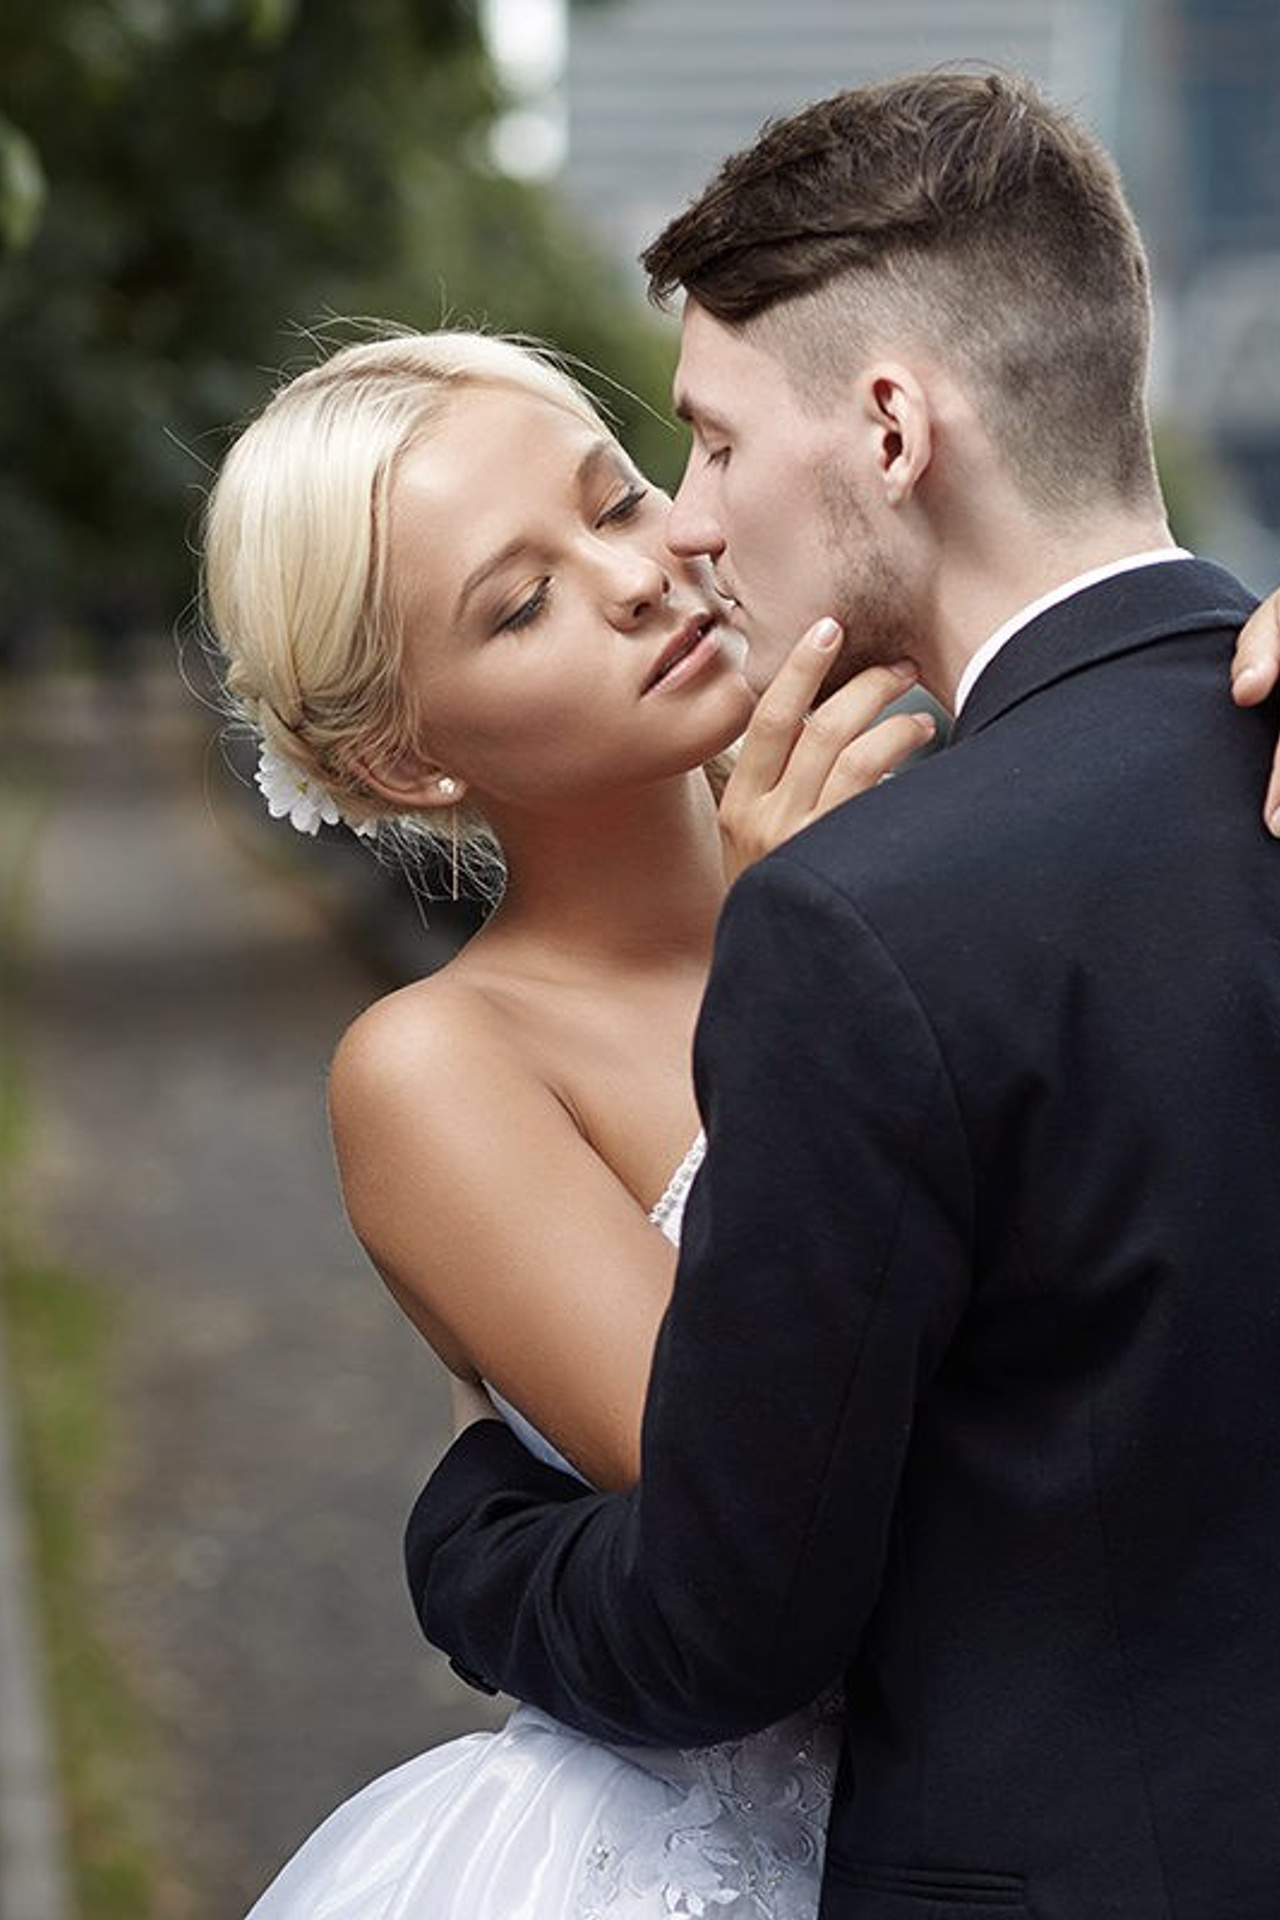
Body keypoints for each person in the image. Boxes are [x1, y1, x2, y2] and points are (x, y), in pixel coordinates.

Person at [402, 71, 1280, 1918]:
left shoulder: (855, 921)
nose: (694, 532)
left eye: (704, 447)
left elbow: (731, 1622)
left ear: (891, 428)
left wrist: (473, 1533)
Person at [203, 326, 936, 1918]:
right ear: (401, 759)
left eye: (614, 506)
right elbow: (741, 1468)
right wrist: (785, 973)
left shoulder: (925, 798)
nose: (634, 582)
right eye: (519, 602)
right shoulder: (437, 1067)